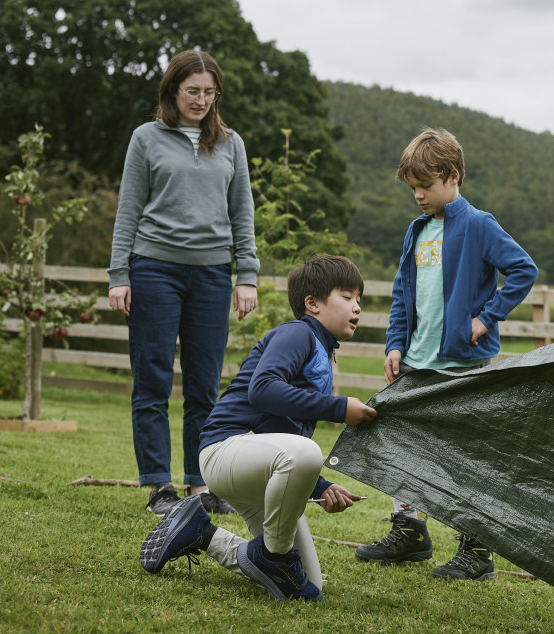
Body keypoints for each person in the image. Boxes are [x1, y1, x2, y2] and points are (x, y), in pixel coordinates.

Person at [353, 127, 538, 581]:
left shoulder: (479, 224)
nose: (417, 195)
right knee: (399, 443)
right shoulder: (417, 230)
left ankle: (477, 553)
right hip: (416, 360)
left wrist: (485, 317)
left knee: (464, 455)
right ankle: (410, 531)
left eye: (426, 186)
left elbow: (522, 269)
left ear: (452, 176)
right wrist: (395, 344)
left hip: (461, 363)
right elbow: (403, 295)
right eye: (412, 187)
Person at [139, 255, 378, 601]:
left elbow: (283, 436)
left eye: (360, 299)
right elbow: (262, 388)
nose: (357, 307)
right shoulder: (298, 333)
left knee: (308, 588)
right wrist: (340, 408)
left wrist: (320, 487)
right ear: (312, 304)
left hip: (256, 467)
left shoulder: (322, 352)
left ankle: (200, 534)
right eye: (347, 297)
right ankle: (275, 556)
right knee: (309, 452)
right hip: (226, 448)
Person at [107, 50, 259, 517]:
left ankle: (201, 486)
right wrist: (119, 274)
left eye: (209, 93)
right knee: (151, 380)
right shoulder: (145, 139)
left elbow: (242, 213)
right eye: (192, 91)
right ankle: (158, 486)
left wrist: (246, 275)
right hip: (153, 268)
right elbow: (129, 208)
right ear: (173, 90)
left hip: (213, 275)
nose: (201, 100)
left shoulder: (230, 143)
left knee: (203, 386)